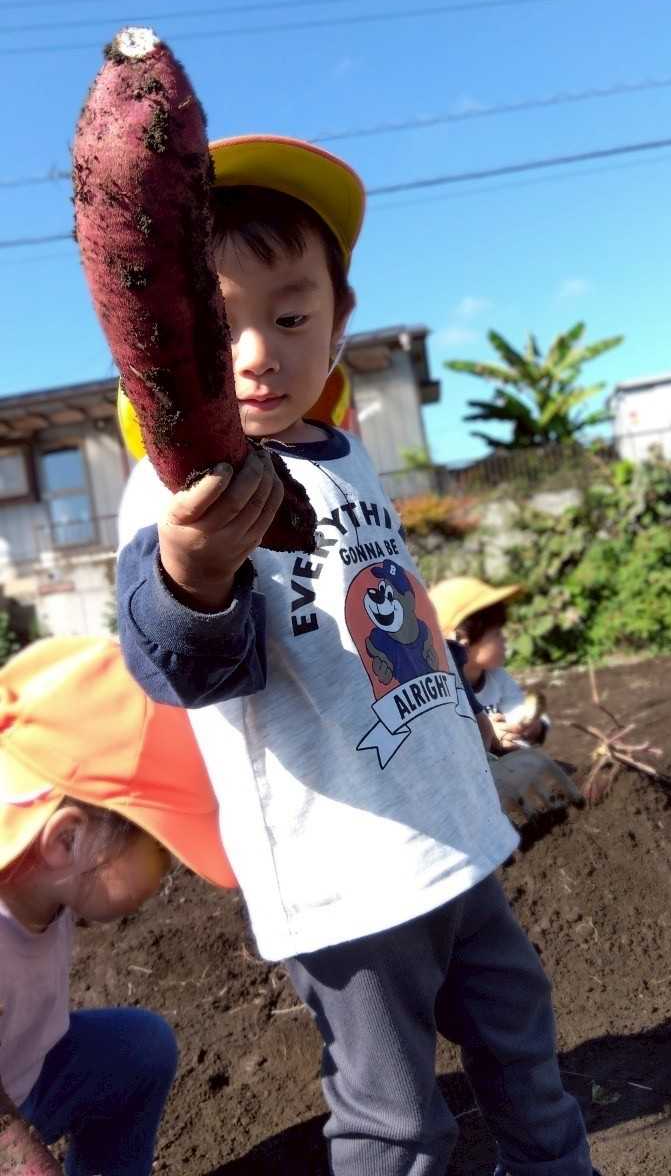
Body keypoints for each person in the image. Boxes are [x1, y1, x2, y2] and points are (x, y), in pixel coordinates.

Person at [116, 134, 600, 1176]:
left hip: (455, 834)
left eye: (289, 316)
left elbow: (402, 626)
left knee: (525, 1052)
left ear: (338, 322)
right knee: (397, 1122)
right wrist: (194, 573)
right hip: (342, 873)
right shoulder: (178, 487)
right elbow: (185, 668)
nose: (256, 352)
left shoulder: (347, 454)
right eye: (215, 327)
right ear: (158, 344)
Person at [0, 636, 236, 1176]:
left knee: (137, 1049)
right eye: (160, 847)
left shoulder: (42, 878)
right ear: (66, 841)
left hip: (26, 1072)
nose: (170, 868)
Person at [430, 576, 547, 753]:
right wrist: (487, 735)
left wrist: (530, 726)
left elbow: (516, 711)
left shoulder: (497, 677)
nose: (504, 638)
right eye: (497, 633)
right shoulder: (443, 692)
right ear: (462, 639)